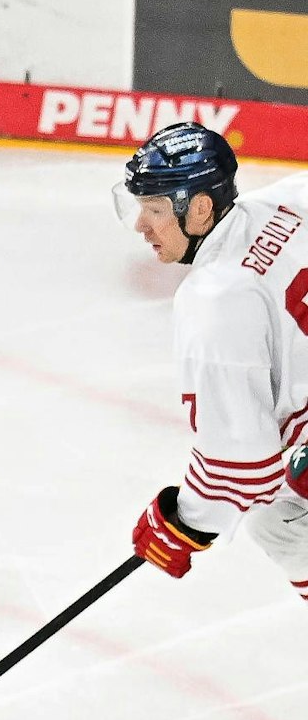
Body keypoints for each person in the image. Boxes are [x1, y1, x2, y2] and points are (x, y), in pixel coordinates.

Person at [120, 124, 308, 587]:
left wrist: (184, 522)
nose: (141, 225)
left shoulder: (215, 302)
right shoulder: (289, 199)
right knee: (284, 517)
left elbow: (242, 462)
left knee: (283, 525)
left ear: (200, 208)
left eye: (155, 208)